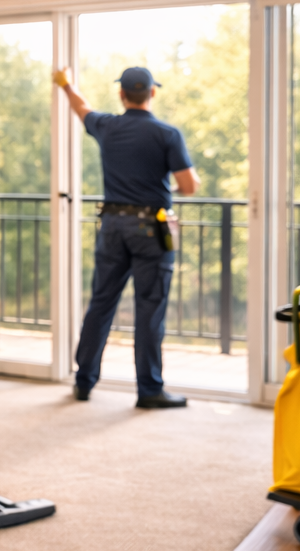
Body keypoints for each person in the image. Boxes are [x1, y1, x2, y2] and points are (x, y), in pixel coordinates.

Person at [54, 65, 199, 408]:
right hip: (152, 228)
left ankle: (84, 382)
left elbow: (81, 107)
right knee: (149, 309)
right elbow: (190, 186)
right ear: (152, 93)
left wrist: (66, 84)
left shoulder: (107, 126)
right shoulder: (167, 134)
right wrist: (169, 187)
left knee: (101, 303)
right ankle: (149, 390)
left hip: (113, 227)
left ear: (121, 94)